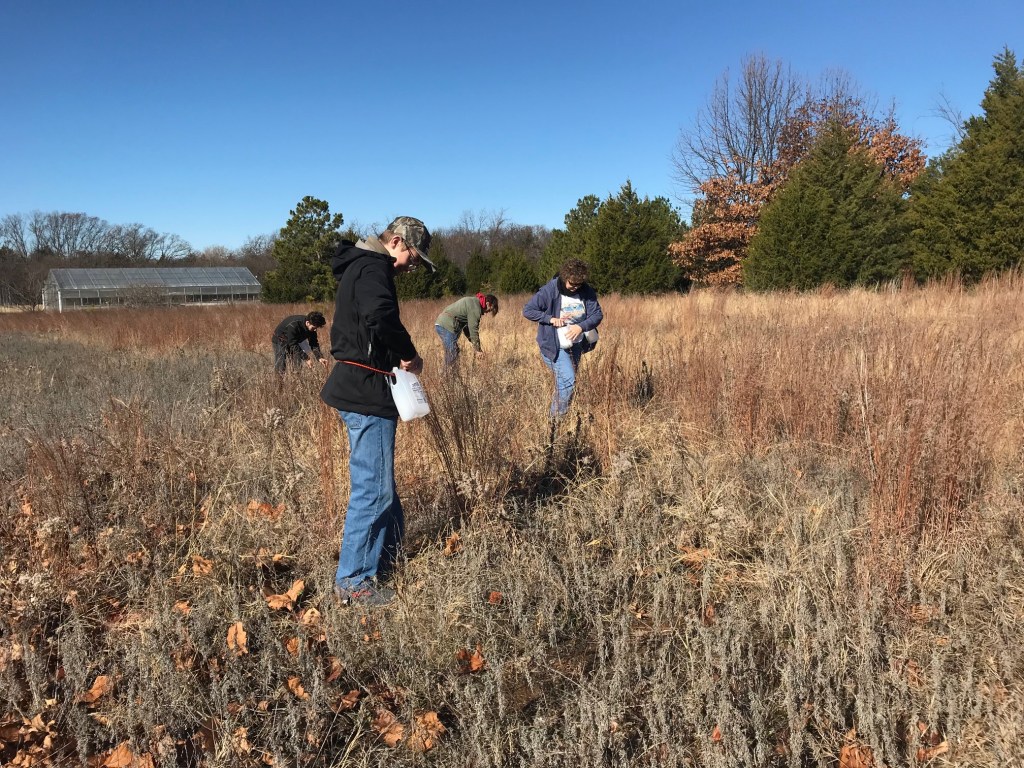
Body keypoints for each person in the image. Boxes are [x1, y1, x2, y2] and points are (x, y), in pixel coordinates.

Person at [320, 216, 436, 607]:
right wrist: (408, 354)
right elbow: (380, 315)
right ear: (397, 242)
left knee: (381, 482)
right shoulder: (374, 267)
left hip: (362, 387)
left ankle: (386, 559)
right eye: (413, 258)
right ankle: (354, 582)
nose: (411, 267)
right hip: (366, 391)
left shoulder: (362, 265)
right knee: (373, 489)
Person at [523, 258, 603, 419]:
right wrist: (550, 319)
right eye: (572, 284)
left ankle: (562, 418)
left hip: (576, 344)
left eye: (579, 285)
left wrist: (581, 326)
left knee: (568, 383)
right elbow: (528, 310)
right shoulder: (550, 290)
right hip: (555, 345)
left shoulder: (586, 291)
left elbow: (597, 314)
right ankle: (555, 422)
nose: (575, 288)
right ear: (565, 277)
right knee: (568, 381)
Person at [434, 293, 499, 366]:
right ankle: (447, 375)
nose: (487, 312)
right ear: (488, 303)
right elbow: (473, 329)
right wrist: (478, 350)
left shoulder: (474, 302)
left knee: (454, 351)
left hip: (442, 323)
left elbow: (467, 329)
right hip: (447, 325)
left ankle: (453, 374)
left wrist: (475, 345)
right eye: (490, 309)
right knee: (452, 352)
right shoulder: (476, 308)